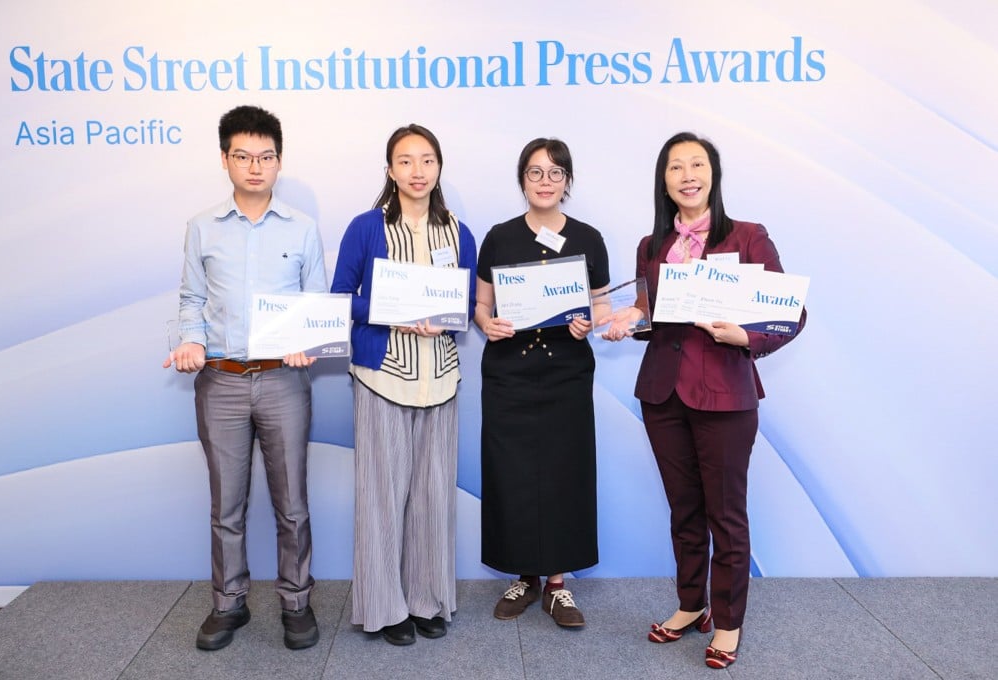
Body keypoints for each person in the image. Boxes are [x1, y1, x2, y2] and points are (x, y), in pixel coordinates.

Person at [601, 131, 806, 669]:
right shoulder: (652, 247)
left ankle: (729, 620)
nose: (687, 175)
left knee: (726, 514)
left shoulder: (747, 236)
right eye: (675, 167)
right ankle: (692, 606)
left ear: (713, 173)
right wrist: (631, 321)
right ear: (663, 180)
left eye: (697, 164)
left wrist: (748, 338)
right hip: (662, 393)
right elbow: (652, 313)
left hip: (725, 395)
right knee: (684, 510)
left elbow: (790, 313)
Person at [163, 105, 325, 651]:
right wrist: (189, 341)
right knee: (226, 506)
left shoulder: (303, 229)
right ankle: (228, 603)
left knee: (292, 504)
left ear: (279, 162)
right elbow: (191, 300)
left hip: (285, 383)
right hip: (222, 381)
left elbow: (316, 305)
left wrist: (311, 342)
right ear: (225, 160)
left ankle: (296, 603)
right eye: (243, 156)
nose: (255, 167)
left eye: (266, 157)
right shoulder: (200, 227)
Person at [331, 124, 476, 646]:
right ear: (390, 169)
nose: (418, 171)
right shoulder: (366, 227)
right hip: (381, 378)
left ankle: (426, 600)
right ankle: (387, 608)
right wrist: (393, 312)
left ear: (439, 168)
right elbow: (341, 297)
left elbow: (462, 308)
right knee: (381, 498)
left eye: (428, 160)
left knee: (434, 498)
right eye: (406, 161)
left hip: (439, 380)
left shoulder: (458, 232)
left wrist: (443, 316)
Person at [474, 137, 610, 628]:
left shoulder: (588, 238)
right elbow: (481, 305)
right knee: (510, 474)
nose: (545, 182)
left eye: (555, 173)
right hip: (509, 374)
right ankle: (523, 576)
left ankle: (557, 583)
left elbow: (601, 303)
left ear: (567, 181)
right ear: (522, 180)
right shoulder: (499, 237)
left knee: (564, 474)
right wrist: (486, 323)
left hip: (566, 374)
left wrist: (589, 321)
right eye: (535, 172)